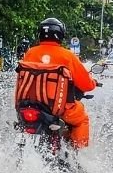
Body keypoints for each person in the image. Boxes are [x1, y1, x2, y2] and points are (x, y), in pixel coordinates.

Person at [16, 17, 98, 147]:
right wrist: (93, 82)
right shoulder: (68, 56)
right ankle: (78, 152)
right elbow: (86, 85)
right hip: (57, 109)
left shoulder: (30, 53)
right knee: (82, 120)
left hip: (27, 106)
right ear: (60, 35)